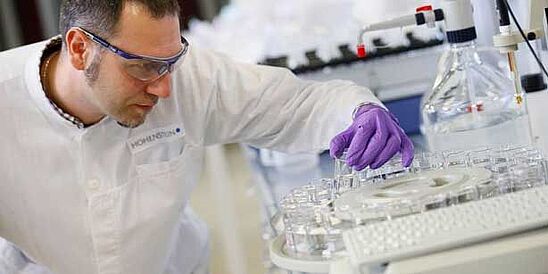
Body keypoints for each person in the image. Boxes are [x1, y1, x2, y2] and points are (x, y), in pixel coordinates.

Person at [0, 0, 413, 273]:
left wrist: (358, 111)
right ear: (78, 49)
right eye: (142, 67)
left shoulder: (188, 78)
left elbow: (296, 105)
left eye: (171, 61)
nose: (163, 88)